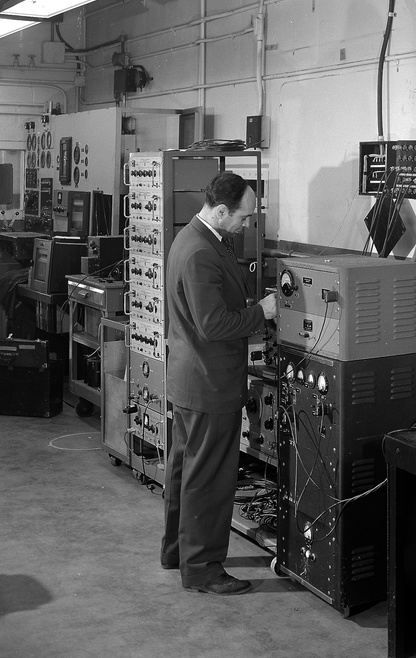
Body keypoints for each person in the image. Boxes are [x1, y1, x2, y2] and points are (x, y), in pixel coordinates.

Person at [160, 171, 277, 595]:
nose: (245, 225)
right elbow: (212, 325)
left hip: (192, 380)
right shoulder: (200, 252)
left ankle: (178, 552)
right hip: (208, 384)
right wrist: (261, 313)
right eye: (243, 217)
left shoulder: (194, 239)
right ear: (222, 210)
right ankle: (204, 569)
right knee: (209, 480)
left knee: (186, 471)